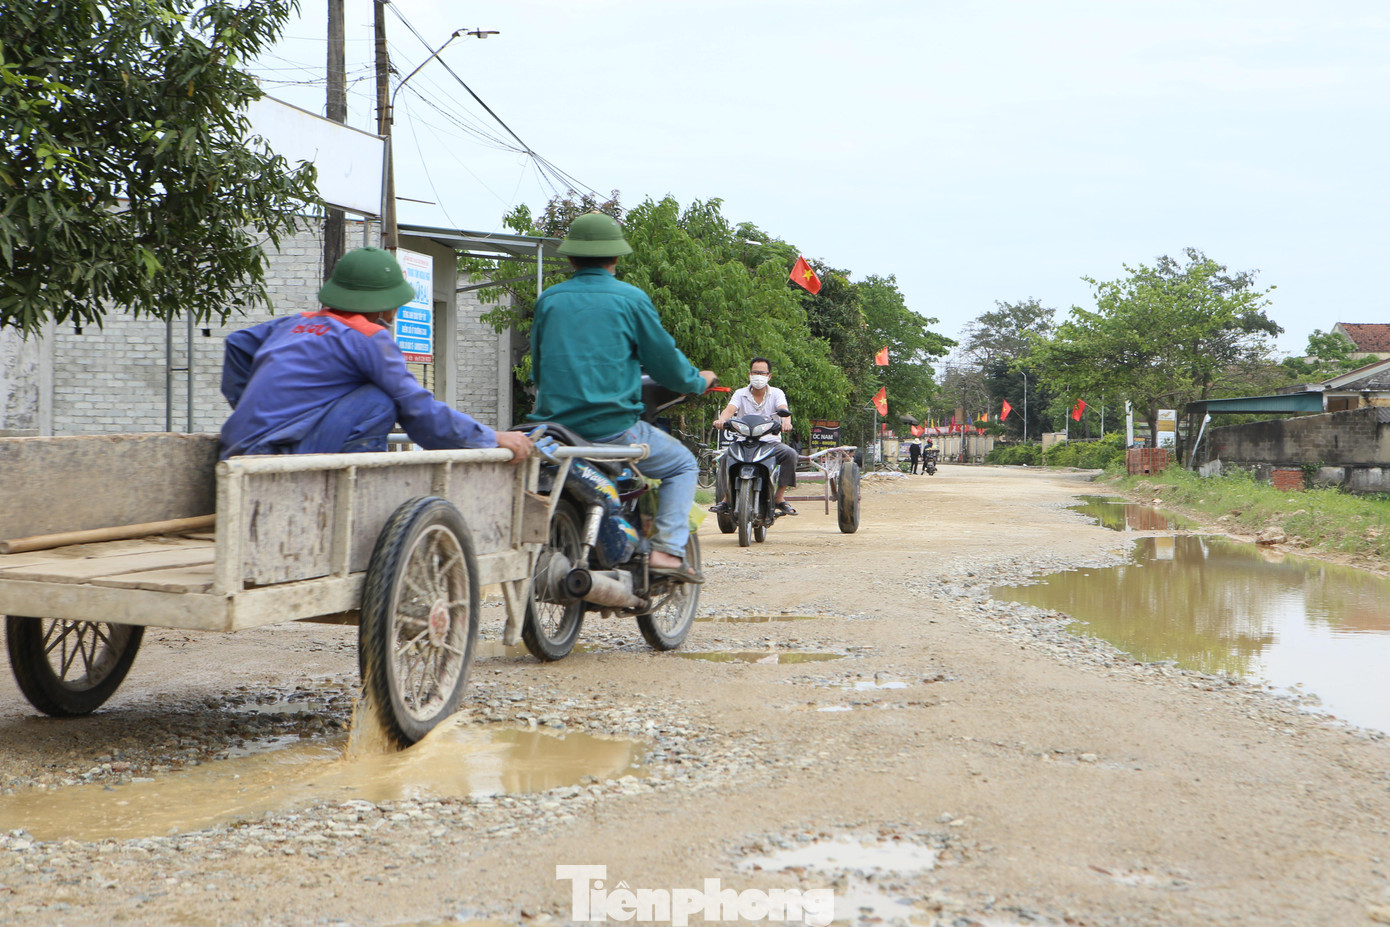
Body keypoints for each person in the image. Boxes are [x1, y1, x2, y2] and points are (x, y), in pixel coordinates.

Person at [528, 212, 717, 583]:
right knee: (682, 464)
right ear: (616, 257)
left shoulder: (548, 300)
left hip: (555, 431)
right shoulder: (631, 299)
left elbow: (537, 369)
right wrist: (697, 381)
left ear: (570, 258)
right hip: (612, 431)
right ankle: (667, 551)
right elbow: (666, 365)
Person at [219, 246, 533, 463]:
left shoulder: (293, 323)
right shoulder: (367, 337)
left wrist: (253, 408)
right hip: (280, 455)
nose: (395, 312)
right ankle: (358, 483)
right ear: (380, 304)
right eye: (395, 303)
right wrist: (490, 438)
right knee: (380, 400)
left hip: (236, 448)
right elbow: (418, 409)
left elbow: (237, 343)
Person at [710, 356, 800, 516]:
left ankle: (779, 497)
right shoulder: (740, 393)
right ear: (749, 374)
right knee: (725, 458)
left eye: (762, 373)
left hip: (770, 443)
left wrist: (786, 423)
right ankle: (726, 498)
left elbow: (784, 410)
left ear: (769, 376)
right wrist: (721, 420)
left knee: (790, 454)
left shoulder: (777, 393)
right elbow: (729, 409)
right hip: (743, 442)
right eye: (755, 372)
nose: (758, 376)